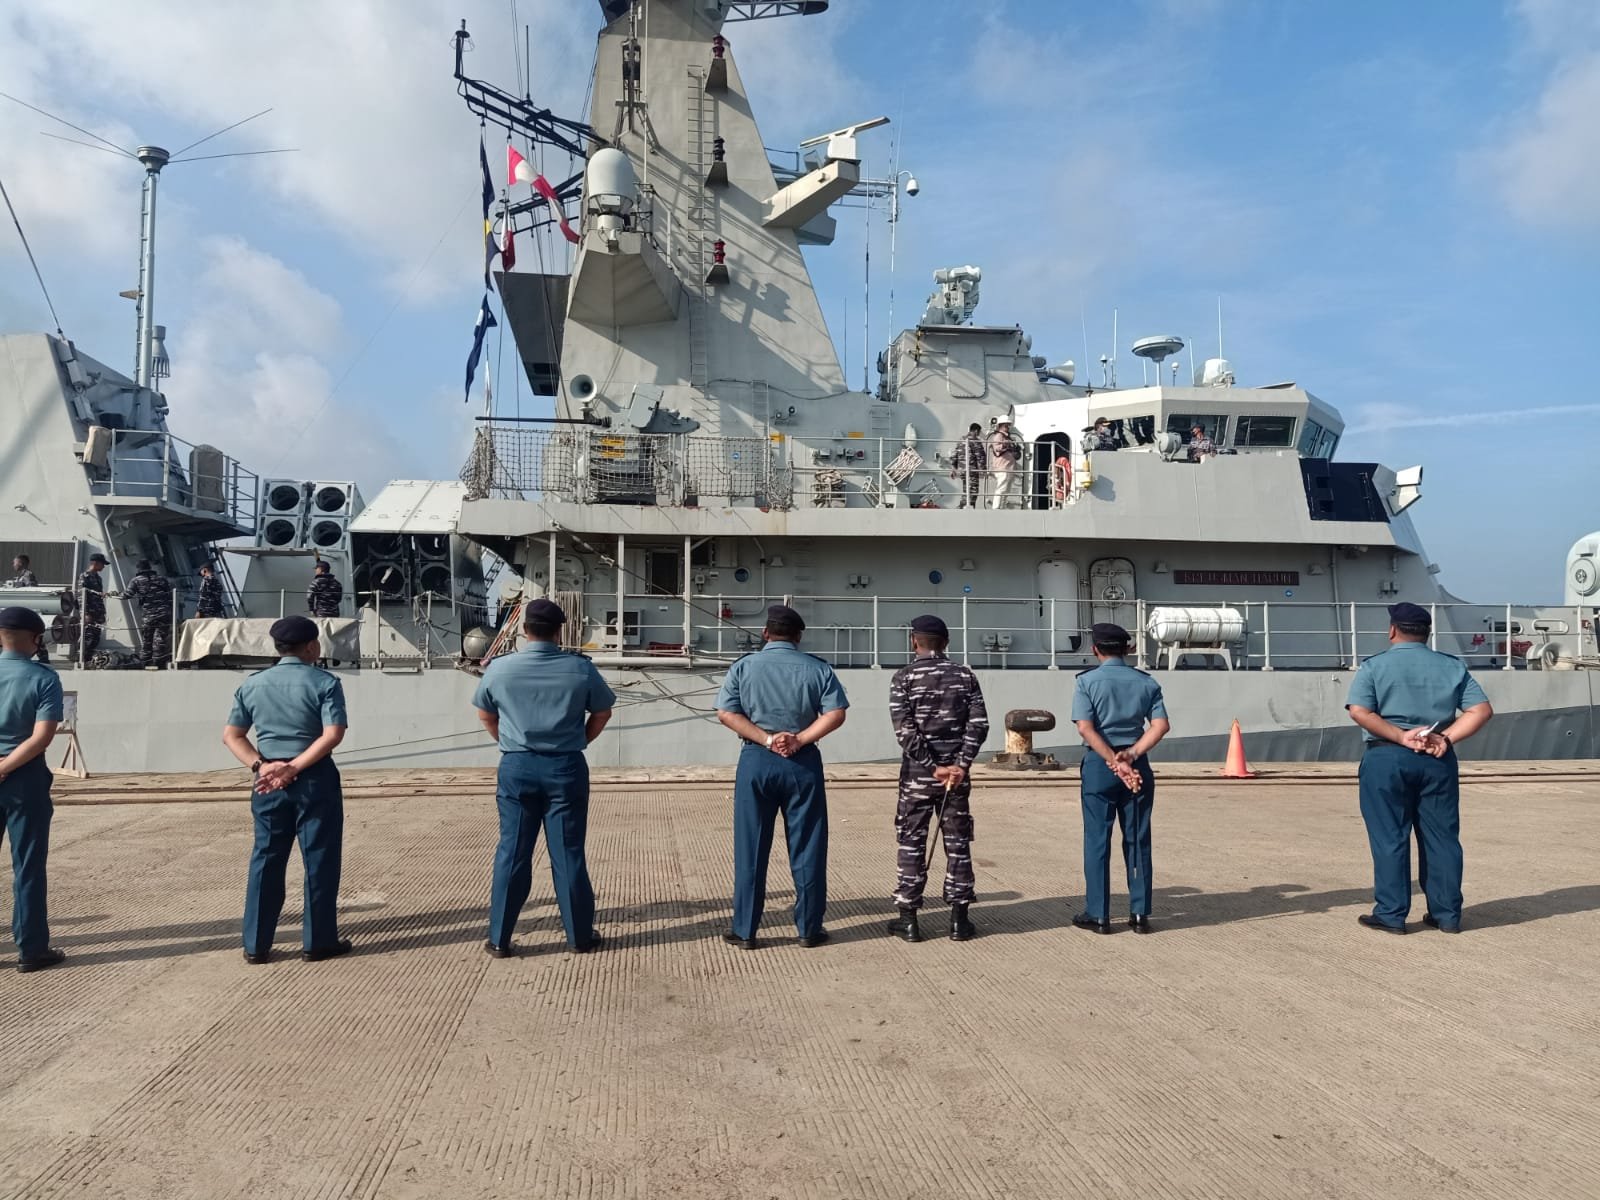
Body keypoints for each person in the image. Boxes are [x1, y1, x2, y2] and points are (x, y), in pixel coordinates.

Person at [472, 598, 615, 957]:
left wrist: (510, 743)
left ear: (524, 630)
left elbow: (486, 715)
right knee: (568, 853)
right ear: (558, 631)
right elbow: (602, 712)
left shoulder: (500, 669)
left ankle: (499, 939)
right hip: (565, 766)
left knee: (512, 852)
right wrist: (580, 740)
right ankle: (580, 937)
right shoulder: (580, 669)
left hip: (517, 766)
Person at [1345, 601, 1493, 934]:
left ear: (1392, 630)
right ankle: (1447, 915)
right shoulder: (1452, 666)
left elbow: (1359, 711)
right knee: (1442, 838)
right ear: (1427, 633)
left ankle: (1391, 914)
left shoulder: (1374, 666)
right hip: (1437, 759)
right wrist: (1446, 739)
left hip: (1386, 757)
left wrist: (1400, 736)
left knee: (1390, 837)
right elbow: (1481, 710)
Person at [714, 604, 848, 949]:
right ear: (798, 636)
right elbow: (835, 713)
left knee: (751, 847)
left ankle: (745, 930)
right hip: (803, 763)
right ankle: (809, 929)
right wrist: (799, 739)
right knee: (808, 847)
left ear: (765, 633)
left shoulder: (744, 667)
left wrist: (767, 739)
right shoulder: (818, 669)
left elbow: (726, 713)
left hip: (757, 760)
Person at [222, 615, 351, 965]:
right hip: (314, 778)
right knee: (319, 859)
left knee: (266, 858)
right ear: (311, 646)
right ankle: (318, 941)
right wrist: (294, 767)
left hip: (267, 782)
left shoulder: (253, 684)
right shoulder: (325, 683)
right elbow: (333, 734)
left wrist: (261, 766)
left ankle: (255, 945)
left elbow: (232, 735)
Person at [886, 614, 989, 943]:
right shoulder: (965, 676)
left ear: (914, 641)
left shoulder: (903, 678)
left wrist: (932, 766)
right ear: (946, 643)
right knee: (957, 845)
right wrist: (961, 765)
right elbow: (978, 725)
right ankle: (959, 921)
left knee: (911, 843)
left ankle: (909, 920)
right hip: (955, 780)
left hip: (918, 777)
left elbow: (905, 732)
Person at [1070, 622, 1170, 934]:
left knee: (1097, 840)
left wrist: (1113, 760)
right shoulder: (1147, 682)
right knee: (1138, 838)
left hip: (1100, 766)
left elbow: (1085, 727)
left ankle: (1098, 914)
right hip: (1137, 765)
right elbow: (1161, 726)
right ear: (1127, 649)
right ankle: (1139, 914)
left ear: (1094, 649)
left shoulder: (1086, 682)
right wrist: (1131, 754)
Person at [0, 607, 65, 973]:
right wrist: (5, 767)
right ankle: (31, 949)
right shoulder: (44, 678)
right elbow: (41, 738)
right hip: (24, 778)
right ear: (37, 638)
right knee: (27, 865)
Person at [126, 559, 173, 669]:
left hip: (149, 615)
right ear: (150, 567)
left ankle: (145, 662)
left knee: (147, 640)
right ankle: (158, 663)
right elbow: (170, 595)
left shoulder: (136, 580)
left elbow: (127, 595)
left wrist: (109, 594)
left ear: (139, 569)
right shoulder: (162, 579)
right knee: (160, 639)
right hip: (164, 613)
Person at [76, 553, 108, 659]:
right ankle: (81, 659)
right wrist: (85, 613)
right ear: (95, 563)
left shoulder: (98, 578)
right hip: (89, 612)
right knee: (88, 637)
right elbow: (81, 596)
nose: (103, 566)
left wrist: (102, 612)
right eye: (102, 564)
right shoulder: (85, 576)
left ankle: (88, 659)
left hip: (98, 612)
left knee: (95, 637)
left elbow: (97, 595)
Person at [950, 422, 987, 509]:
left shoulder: (961, 439)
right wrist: (983, 470)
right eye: (979, 432)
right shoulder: (975, 441)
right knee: (973, 492)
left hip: (962, 470)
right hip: (971, 471)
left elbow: (954, 455)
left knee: (966, 491)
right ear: (976, 431)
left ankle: (962, 508)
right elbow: (981, 456)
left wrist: (953, 469)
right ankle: (964, 509)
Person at [988, 419, 1022, 510]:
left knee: (1006, 490)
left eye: (1008, 425)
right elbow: (996, 448)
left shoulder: (1007, 437)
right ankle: (996, 508)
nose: (1008, 427)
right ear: (1000, 425)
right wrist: (1005, 444)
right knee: (1001, 489)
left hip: (1009, 468)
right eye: (1006, 425)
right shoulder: (999, 436)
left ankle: (1001, 508)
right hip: (1003, 468)